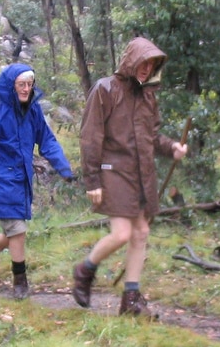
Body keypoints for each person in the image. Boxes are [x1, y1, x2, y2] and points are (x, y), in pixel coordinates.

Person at [71, 36, 188, 317]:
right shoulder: (105, 89)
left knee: (141, 232)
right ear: (130, 60)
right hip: (112, 171)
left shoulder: (148, 96)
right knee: (122, 233)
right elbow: (90, 138)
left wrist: (172, 147)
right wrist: (92, 181)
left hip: (141, 174)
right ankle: (84, 270)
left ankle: (131, 299)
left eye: (151, 65)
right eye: (142, 63)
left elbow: (152, 136)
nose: (146, 69)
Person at [0, 64, 74, 298]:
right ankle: (20, 281)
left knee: (12, 232)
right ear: (11, 85)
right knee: (17, 231)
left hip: (22, 179)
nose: (26, 89)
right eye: (21, 84)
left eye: (29, 84)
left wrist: (63, 167)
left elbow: (47, 140)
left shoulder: (33, 111)